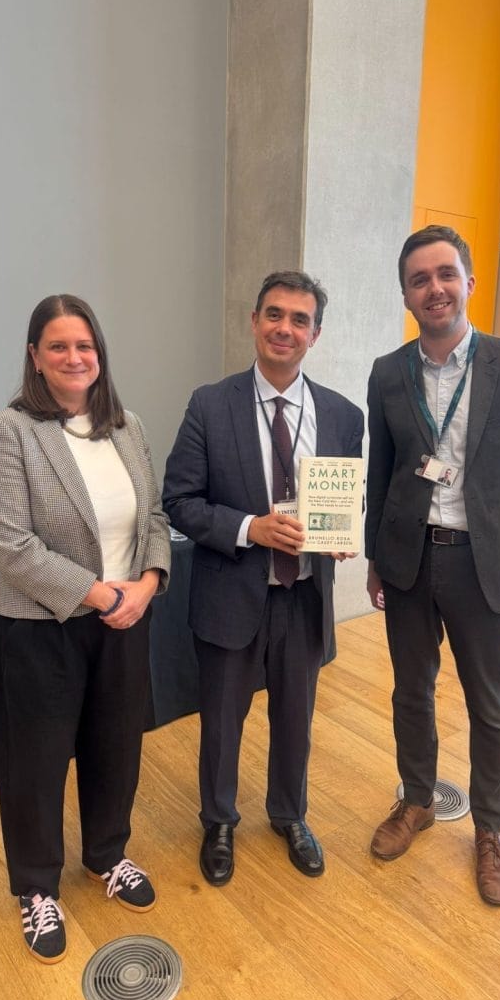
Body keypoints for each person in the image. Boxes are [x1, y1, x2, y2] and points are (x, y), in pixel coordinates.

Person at [365, 226, 500, 906]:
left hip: (486, 566)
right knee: (409, 692)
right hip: (409, 562)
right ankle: (416, 799)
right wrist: (375, 558)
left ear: (469, 283)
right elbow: (382, 471)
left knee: (490, 707)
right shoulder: (388, 372)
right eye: (419, 279)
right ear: (406, 295)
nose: (434, 288)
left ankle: (490, 830)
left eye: (445, 274)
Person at [0, 294, 171, 963]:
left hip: (125, 617)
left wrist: (147, 584)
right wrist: (99, 593)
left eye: (84, 345)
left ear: (99, 353)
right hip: (43, 626)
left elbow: (154, 519)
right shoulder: (8, 430)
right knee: (34, 761)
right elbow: (11, 545)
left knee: (115, 746)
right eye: (57, 346)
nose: (73, 357)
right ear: (35, 356)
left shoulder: (128, 426)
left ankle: (106, 855)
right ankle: (36, 887)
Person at [162, 271, 363, 886]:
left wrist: (341, 532)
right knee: (223, 721)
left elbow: (348, 498)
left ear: (315, 334)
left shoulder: (343, 415)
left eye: (300, 319)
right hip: (231, 592)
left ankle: (289, 815)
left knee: (296, 719)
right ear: (254, 321)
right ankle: (219, 821)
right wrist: (251, 527)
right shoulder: (209, 404)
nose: (285, 328)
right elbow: (179, 501)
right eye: (274, 314)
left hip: (304, 595)